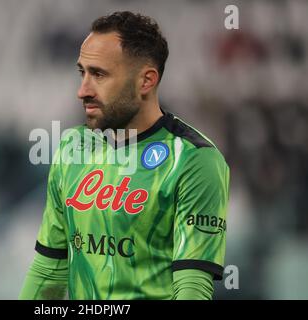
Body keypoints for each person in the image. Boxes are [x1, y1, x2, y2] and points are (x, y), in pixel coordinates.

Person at [19, 11, 229, 300]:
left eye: (99, 74)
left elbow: (192, 286)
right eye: (83, 72)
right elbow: (49, 271)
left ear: (146, 81)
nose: (82, 90)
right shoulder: (72, 147)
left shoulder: (194, 160)